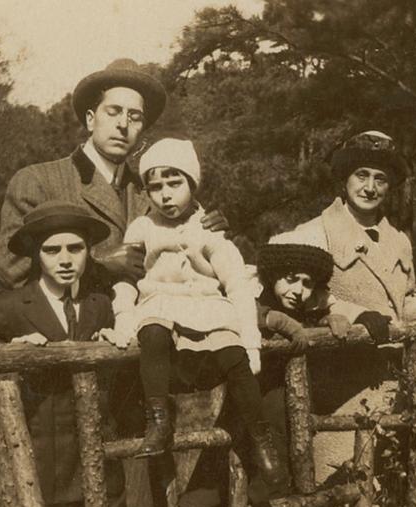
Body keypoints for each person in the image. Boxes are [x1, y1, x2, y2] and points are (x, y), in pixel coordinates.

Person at [269, 130, 416, 483]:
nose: (369, 187)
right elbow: (297, 295)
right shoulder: (315, 232)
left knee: (390, 477)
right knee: (338, 479)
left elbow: (403, 297)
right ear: (345, 178)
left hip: (392, 378)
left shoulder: (399, 240)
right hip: (339, 380)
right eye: (361, 175)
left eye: (380, 179)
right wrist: (355, 315)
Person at [103, 138, 283, 484]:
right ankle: (158, 421)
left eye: (175, 184)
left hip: (206, 305)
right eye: (156, 188)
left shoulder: (210, 228)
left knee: (233, 355)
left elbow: (236, 283)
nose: (165, 196)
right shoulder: (143, 228)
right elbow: (128, 278)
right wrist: (124, 317)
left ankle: (261, 438)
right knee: (153, 333)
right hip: (159, 302)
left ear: (193, 184)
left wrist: (250, 341)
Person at [0, 200, 124, 507]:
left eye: (75, 249)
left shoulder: (100, 306)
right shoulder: (11, 307)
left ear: (88, 252)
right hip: (35, 454)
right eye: (52, 250)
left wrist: (115, 344)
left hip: (88, 456)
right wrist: (12, 353)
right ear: (35, 254)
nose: (65, 260)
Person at [0, 58, 228, 290]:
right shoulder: (37, 181)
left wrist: (210, 233)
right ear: (90, 119)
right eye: (113, 112)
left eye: (135, 117)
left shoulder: (154, 191)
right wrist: (98, 266)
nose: (123, 124)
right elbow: (11, 268)